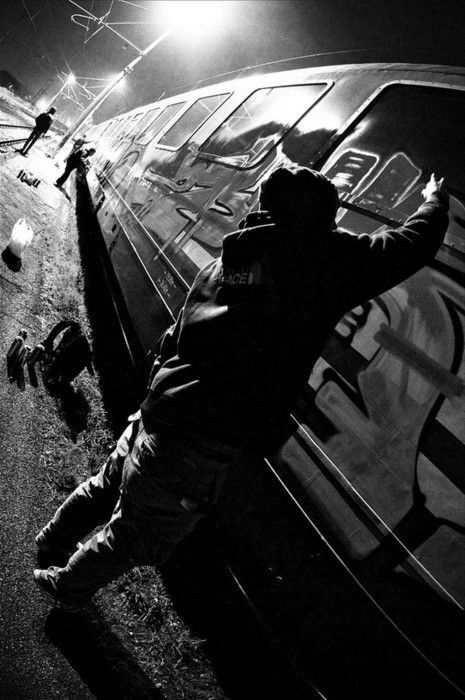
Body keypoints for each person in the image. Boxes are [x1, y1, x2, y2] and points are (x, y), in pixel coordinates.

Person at [33, 167, 449, 612]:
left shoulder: (232, 255)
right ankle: (68, 588)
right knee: (135, 534)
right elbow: (406, 248)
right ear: (317, 224)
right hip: (202, 440)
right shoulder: (316, 262)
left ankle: (50, 541)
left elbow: (180, 332)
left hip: (162, 407)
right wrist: (434, 202)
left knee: (105, 486)